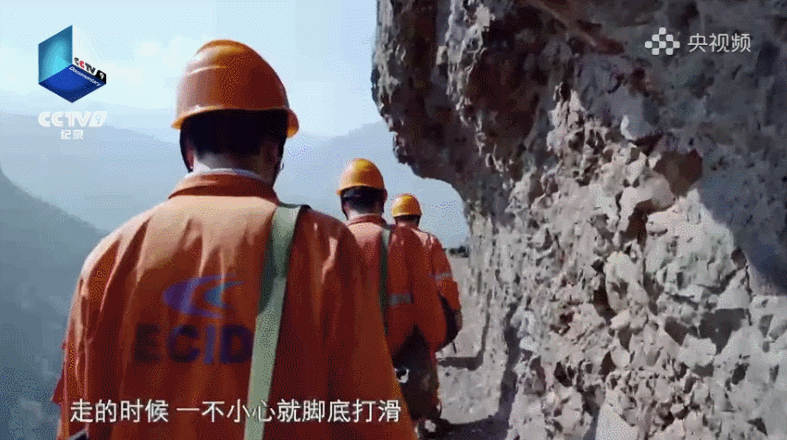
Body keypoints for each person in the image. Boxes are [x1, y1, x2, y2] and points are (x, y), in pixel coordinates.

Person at [52, 39, 416, 440]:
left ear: (187, 149)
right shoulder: (325, 247)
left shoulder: (108, 260)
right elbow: (375, 419)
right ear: (274, 151)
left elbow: (79, 420)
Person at [336, 159, 447, 435]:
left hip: (349, 376)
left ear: (343, 203)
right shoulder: (406, 241)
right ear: (383, 198)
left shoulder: (330, 242)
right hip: (399, 370)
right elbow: (429, 313)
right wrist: (432, 345)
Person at [392, 193, 463, 437]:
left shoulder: (390, 239)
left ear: (396, 217)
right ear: (418, 217)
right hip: (426, 315)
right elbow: (445, 282)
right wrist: (454, 311)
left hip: (395, 317)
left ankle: (410, 422)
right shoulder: (429, 241)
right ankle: (424, 422)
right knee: (426, 368)